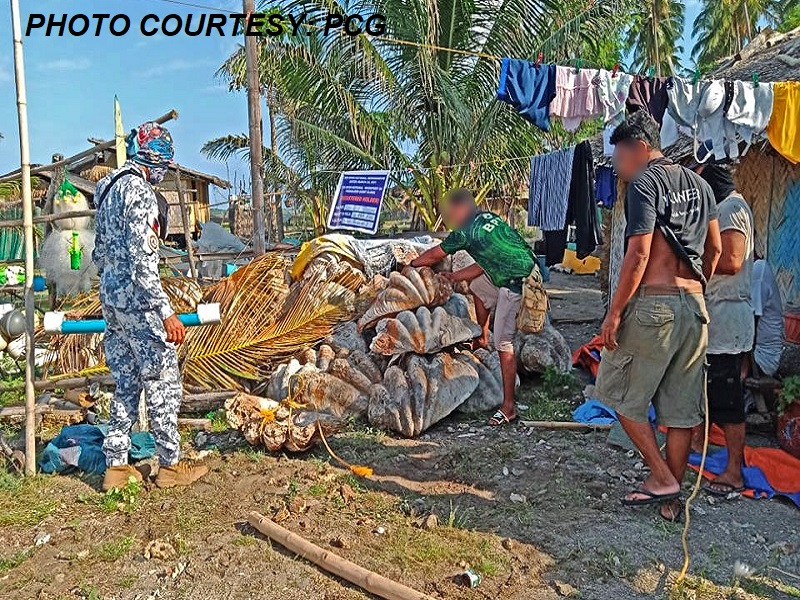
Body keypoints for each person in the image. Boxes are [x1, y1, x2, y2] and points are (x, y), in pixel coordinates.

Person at [594, 112, 722, 522]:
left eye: (619, 157)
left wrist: (614, 314)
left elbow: (640, 254)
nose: (618, 166)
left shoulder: (644, 184)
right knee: (680, 412)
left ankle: (662, 477)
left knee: (619, 396)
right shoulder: (702, 186)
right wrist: (696, 288)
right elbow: (716, 250)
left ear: (639, 149)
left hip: (655, 305)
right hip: (694, 306)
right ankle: (670, 501)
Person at [93, 122, 208, 491]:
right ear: (154, 159)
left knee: (125, 382)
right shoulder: (140, 193)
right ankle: (171, 466)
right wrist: (166, 311)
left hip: (111, 301)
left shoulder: (107, 188)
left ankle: (115, 467)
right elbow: (144, 263)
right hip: (140, 304)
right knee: (162, 381)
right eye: (166, 163)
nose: (165, 171)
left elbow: (99, 252)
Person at [410, 188, 538, 426]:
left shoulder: (465, 232)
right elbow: (483, 263)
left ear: (462, 208)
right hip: (520, 266)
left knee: (504, 342)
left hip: (517, 280)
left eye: (452, 212)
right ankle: (481, 338)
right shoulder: (488, 218)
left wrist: (409, 265)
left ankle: (509, 407)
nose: (451, 217)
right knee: (478, 286)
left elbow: (432, 255)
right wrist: (455, 276)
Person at [692, 162, 754, 497]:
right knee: (708, 390)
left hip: (728, 319)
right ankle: (697, 448)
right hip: (719, 316)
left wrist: (695, 256)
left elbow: (731, 260)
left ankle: (733, 471)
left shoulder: (731, 208)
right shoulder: (728, 208)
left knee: (728, 398)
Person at [751, 257, 784, 378]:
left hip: (762, 357)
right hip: (755, 352)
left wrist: (744, 368)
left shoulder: (758, 269)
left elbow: (752, 323)